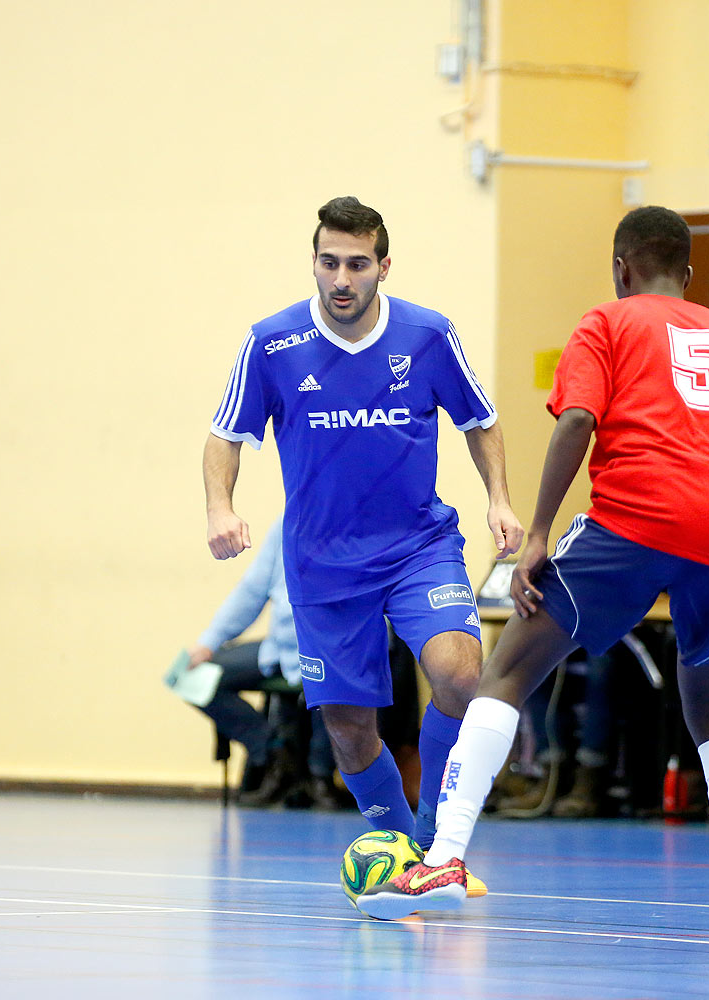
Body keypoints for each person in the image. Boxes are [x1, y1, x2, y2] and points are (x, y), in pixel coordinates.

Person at [358, 206, 709, 951]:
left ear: (620, 267)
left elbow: (575, 424)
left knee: (504, 673)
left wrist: (535, 536)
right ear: (688, 275)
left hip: (633, 519)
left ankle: (442, 860)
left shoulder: (608, 323)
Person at [202, 197, 523, 871]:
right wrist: (220, 509)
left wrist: (499, 499)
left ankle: (437, 835)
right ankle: (404, 851)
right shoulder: (272, 343)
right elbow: (225, 435)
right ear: (313, 264)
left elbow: (481, 420)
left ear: (383, 267)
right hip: (323, 564)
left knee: (461, 678)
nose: (341, 279)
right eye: (328, 263)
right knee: (350, 731)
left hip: (418, 548)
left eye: (356, 264)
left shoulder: (429, 335)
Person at [185, 513, 334, 806]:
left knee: (341, 690)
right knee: (191, 677)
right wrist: (209, 641)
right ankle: (275, 751)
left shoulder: (357, 525)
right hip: (279, 651)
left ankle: (319, 776)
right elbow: (251, 592)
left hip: (332, 654)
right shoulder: (285, 525)